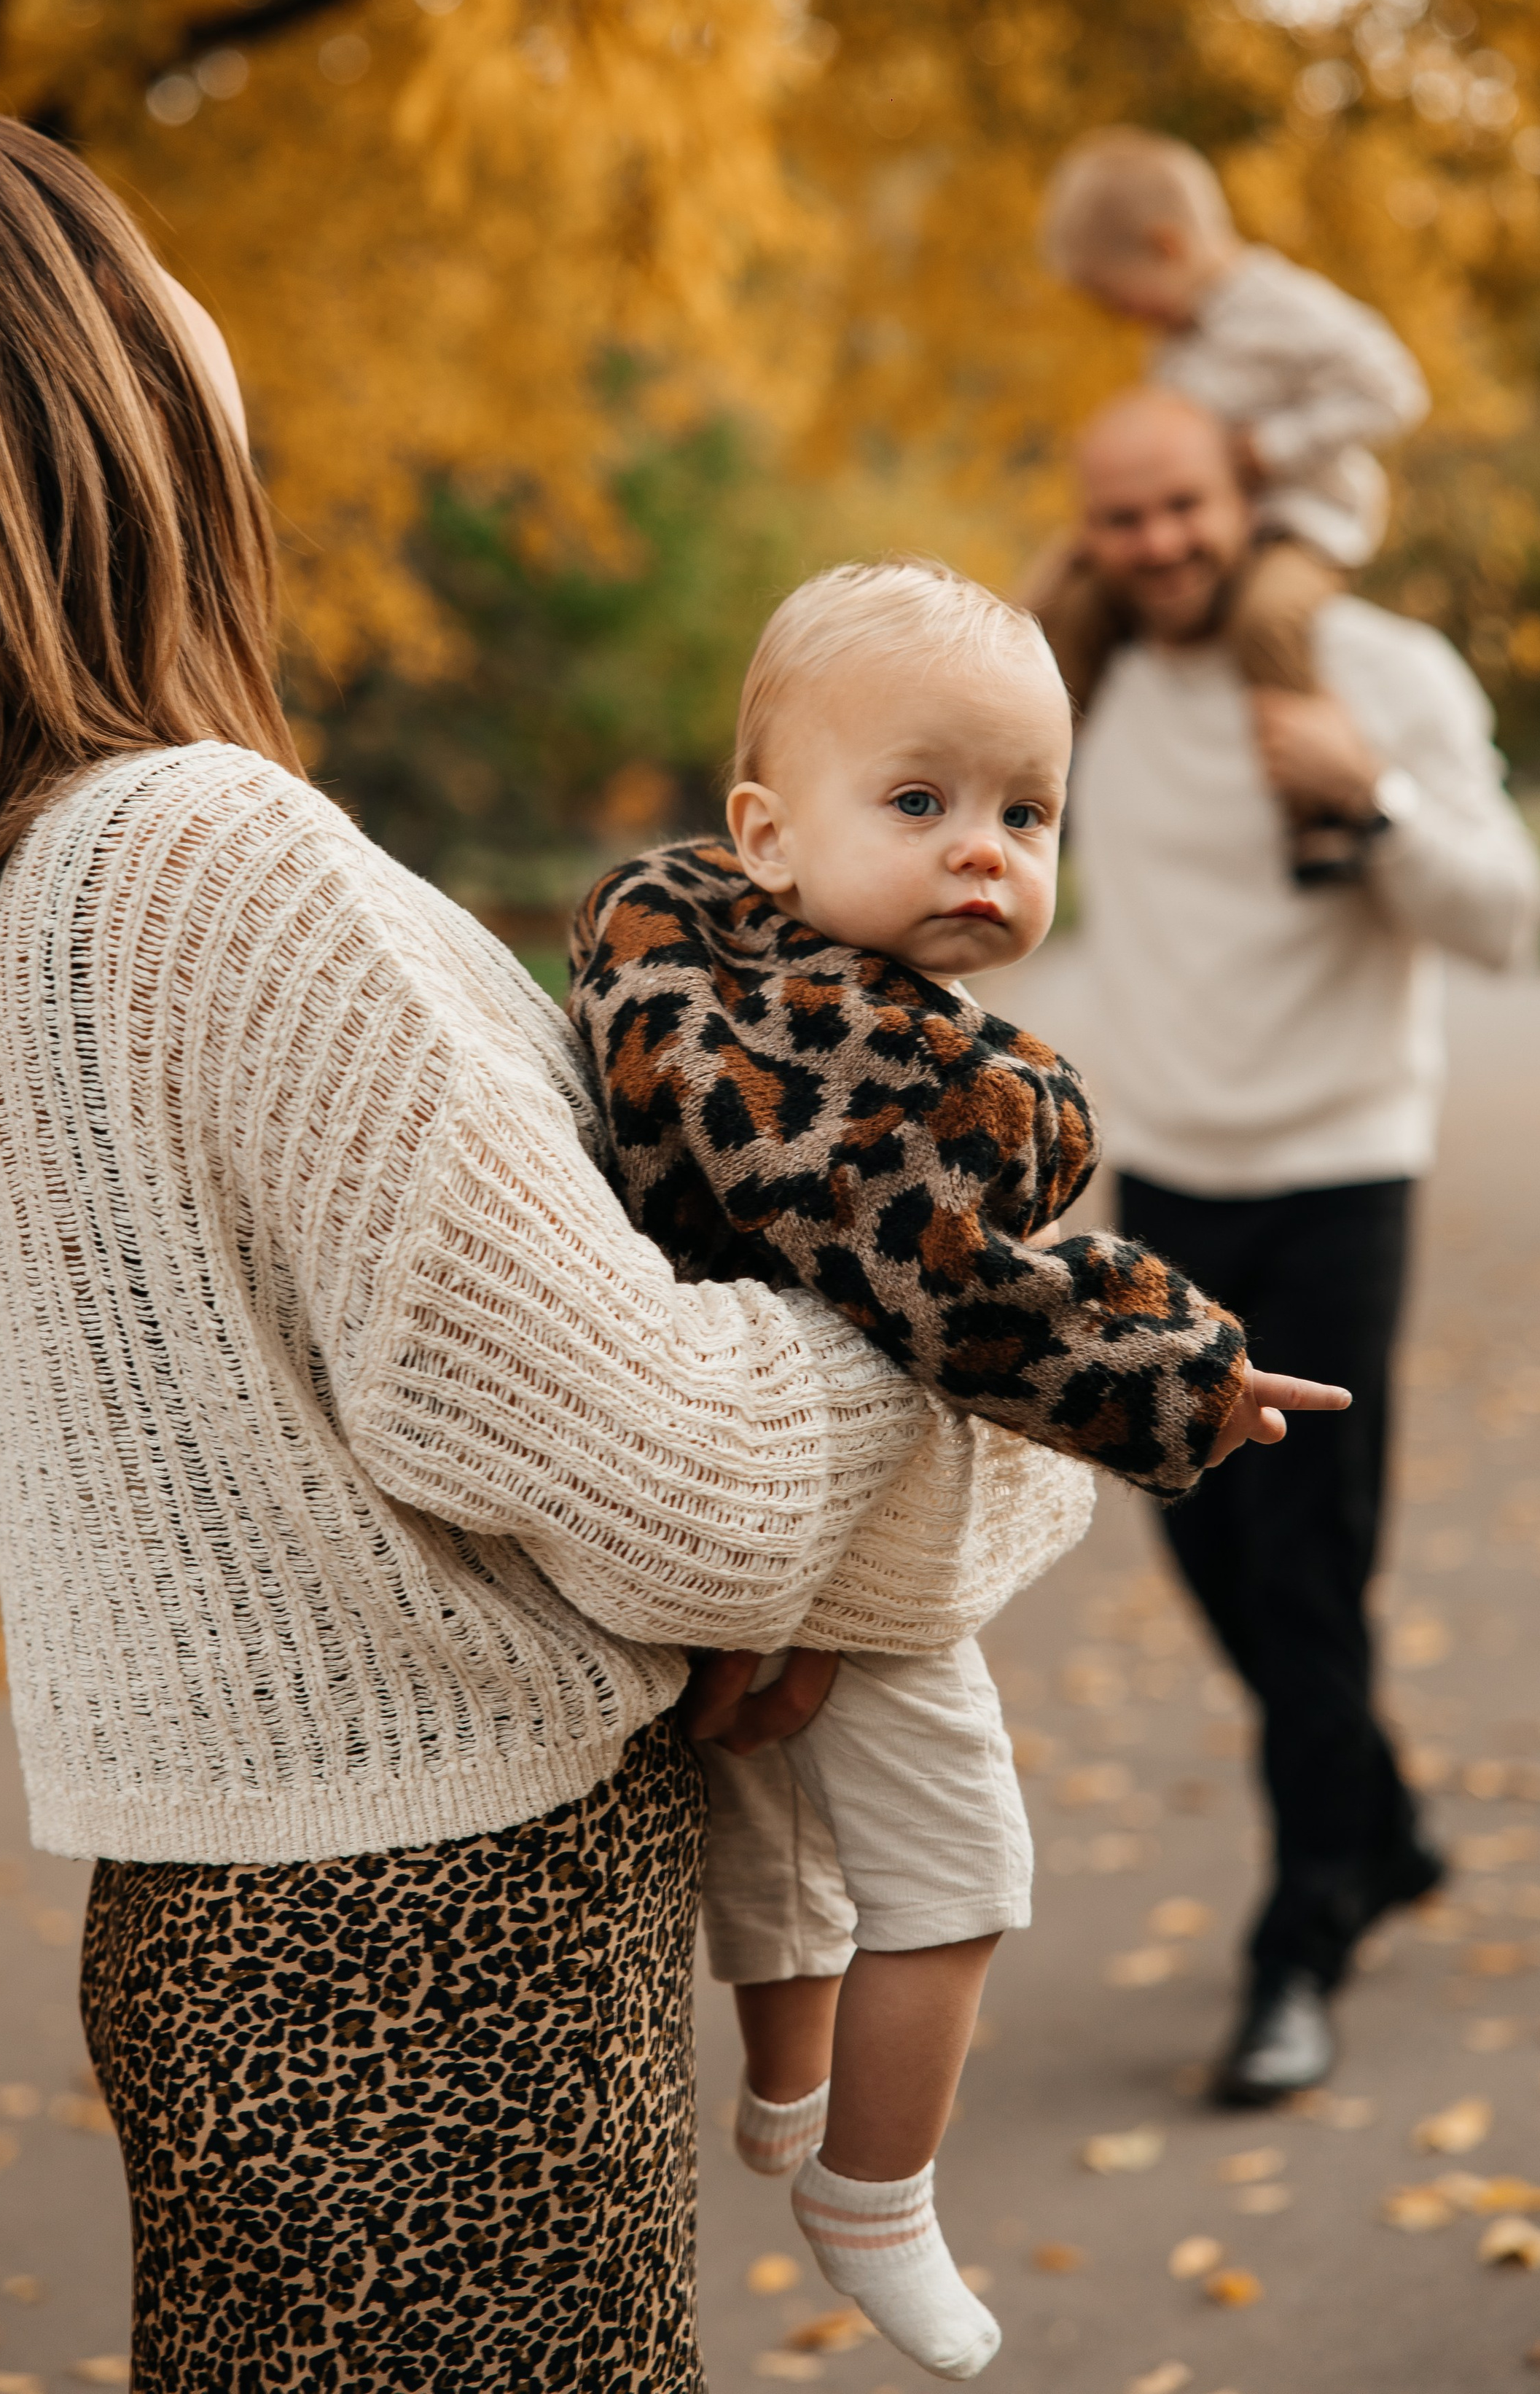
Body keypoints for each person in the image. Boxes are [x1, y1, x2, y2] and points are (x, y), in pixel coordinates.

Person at [0, 104, 1107, 2394]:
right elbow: (676, 1479)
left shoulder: (23, 894)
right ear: (68, 377)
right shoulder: (199, 854)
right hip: (433, 1968)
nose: (197, 305)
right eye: (135, 258)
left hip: (271, 1943)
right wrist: (1022, 1353)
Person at [566, 558, 1346, 2374]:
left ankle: (783, 2090)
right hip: (833, 1526)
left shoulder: (683, 974)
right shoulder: (888, 1071)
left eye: (1024, 812)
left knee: (774, 1829)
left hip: (699, 1498)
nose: (981, 850)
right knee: (958, 1867)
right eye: (917, 802)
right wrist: (1183, 1374)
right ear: (766, 832)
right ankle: (874, 2189)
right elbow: (962, 1296)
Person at [1052, 386, 1540, 2104]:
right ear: (1085, 530)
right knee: (1208, 1550)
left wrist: (1374, 795)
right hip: (1167, 1180)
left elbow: (1504, 918)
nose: (1156, 543)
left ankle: (1300, 1932)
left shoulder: (1379, 667)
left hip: (1339, 1167)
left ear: (1246, 490)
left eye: (1181, 505)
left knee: (1306, 1566)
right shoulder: (1084, 686)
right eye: (1121, 516)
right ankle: (1380, 1822)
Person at [1036, 126, 1431, 884]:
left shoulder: (1288, 310)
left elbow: (1394, 391)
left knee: (1268, 618)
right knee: (1072, 608)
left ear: (1166, 246)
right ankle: (1049, 773)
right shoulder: (1178, 340)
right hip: (1212, 529)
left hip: (1301, 526)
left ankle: (1319, 816)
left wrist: (1276, 447)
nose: (1122, 318)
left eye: (1117, 297)